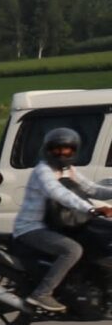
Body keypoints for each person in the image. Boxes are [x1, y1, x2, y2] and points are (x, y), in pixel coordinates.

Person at [14, 126, 112, 314]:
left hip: (58, 226)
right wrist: (90, 208)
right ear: (48, 150)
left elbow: (92, 189)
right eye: (57, 149)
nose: (62, 153)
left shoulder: (69, 170)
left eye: (67, 149)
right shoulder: (43, 171)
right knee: (72, 250)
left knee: (97, 239)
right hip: (32, 229)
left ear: (74, 151)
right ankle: (42, 293)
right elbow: (60, 194)